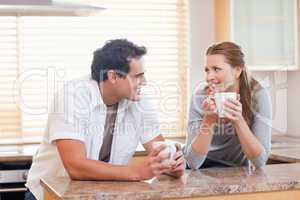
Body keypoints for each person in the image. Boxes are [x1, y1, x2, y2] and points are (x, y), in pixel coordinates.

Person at [25, 39, 185, 200]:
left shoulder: (137, 99)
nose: (144, 82)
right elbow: (75, 166)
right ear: (113, 76)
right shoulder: (73, 96)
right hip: (49, 196)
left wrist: (172, 165)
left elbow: (158, 150)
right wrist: (137, 172)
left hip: (99, 195)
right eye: (138, 76)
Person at [183, 41, 272, 169]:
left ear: (237, 70)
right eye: (207, 70)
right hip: (200, 168)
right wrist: (209, 120)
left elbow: (259, 162)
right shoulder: (200, 95)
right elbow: (193, 162)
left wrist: (238, 120)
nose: (209, 77)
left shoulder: (258, 96)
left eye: (216, 69)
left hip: (234, 169)